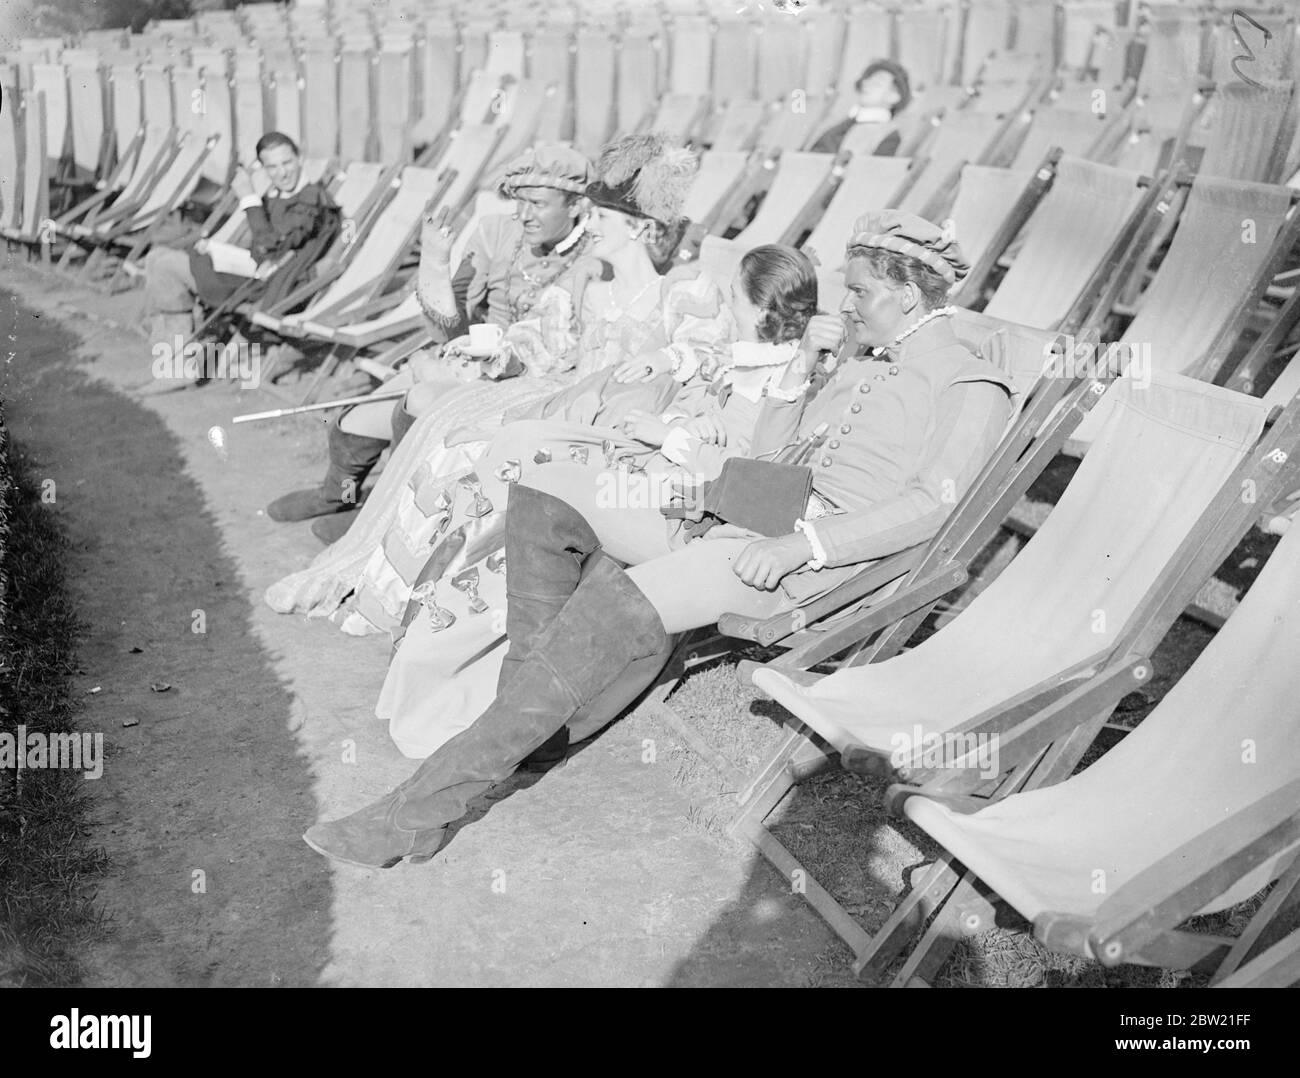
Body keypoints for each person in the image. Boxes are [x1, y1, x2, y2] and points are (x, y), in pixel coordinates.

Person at [302, 211, 1018, 868]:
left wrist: (805, 548)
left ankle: (421, 810)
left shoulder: (967, 374)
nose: (848, 304)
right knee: (547, 489)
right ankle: (530, 720)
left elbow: (936, 503)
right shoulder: (869, 355)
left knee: (618, 603)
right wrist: (799, 373)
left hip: (815, 560)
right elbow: (774, 454)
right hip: (755, 503)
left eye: (860, 290)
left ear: (909, 295)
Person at [370, 244, 825, 761]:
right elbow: (718, 372)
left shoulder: (789, 379)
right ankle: (437, 659)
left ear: (764, 311)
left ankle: (471, 689)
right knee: (519, 453)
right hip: (665, 469)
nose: (725, 305)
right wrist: (673, 370)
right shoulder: (755, 355)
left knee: (526, 482)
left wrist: (670, 435)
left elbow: (748, 475)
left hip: (682, 497)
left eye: (734, 298)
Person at [264, 134, 732, 630]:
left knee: (475, 451)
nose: (590, 225)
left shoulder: (681, 290)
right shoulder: (588, 283)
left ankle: (430, 599)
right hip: (561, 395)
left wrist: (665, 356)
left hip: (616, 424)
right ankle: (388, 578)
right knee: (447, 436)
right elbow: (541, 342)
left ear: (638, 229)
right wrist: (493, 350)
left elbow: (712, 354)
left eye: (601, 218)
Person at [264, 144, 597, 539]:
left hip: (524, 382)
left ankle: (386, 516)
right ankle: (339, 496)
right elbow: (449, 334)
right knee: (353, 423)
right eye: (520, 202)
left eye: (539, 204)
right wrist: (435, 264)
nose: (524, 215)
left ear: (576, 206)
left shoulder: (595, 255)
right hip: (468, 361)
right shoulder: (497, 232)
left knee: (412, 408)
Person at [139, 132, 340, 375]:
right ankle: (170, 353)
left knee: (166, 266)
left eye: (287, 163)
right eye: (272, 167)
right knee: (156, 255)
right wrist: (217, 249)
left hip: (273, 286)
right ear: (264, 169)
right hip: (255, 274)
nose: (282, 173)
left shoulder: (310, 202)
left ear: (299, 159)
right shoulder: (279, 195)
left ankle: (176, 368)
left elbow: (270, 248)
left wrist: (249, 198)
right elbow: (259, 243)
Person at [809, 59, 912, 156]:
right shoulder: (840, 120)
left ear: (894, 97)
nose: (866, 84)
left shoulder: (889, 135)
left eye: (877, 83)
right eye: (867, 80)